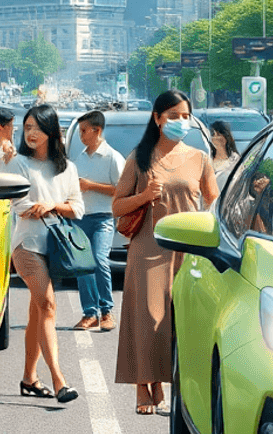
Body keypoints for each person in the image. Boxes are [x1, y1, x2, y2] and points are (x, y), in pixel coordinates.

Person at [112, 90, 219, 415]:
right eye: (173, 116)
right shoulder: (139, 158)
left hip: (189, 250)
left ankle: (168, 385)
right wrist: (144, 196)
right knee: (148, 319)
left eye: (185, 116)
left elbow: (214, 202)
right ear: (157, 118)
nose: (180, 122)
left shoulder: (200, 158)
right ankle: (143, 386)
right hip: (149, 248)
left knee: (179, 321)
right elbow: (117, 206)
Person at [10, 104, 83, 403]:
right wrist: (38, 207)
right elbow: (18, 205)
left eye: (37, 128)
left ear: (51, 131)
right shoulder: (18, 163)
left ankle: (29, 378)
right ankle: (59, 381)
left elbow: (78, 208)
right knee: (48, 305)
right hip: (26, 246)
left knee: (37, 312)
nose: (31, 133)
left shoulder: (67, 168)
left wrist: (53, 206)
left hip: (55, 247)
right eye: (27, 127)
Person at [72, 111, 125, 332]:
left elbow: (122, 191)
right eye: (80, 131)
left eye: (84, 131)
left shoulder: (113, 157)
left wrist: (91, 186)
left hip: (103, 218)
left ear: (97, 130)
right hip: (81, 218)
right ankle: (89, 313)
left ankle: (106, 311)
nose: (81, 135)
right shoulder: (80, 158)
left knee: (99, 259)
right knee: (83, 265)